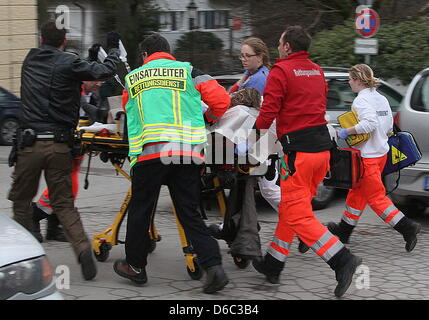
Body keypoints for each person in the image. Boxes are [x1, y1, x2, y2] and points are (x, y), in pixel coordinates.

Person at [113, 33, 231, 294]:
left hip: (149, 154)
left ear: (145, 55)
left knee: (141, 209)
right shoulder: (190, 72)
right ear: (169, 52)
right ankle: (214, 267)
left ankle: (135, 266)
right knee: (189, 211)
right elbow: (222, 102)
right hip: (186, 154)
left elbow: (126, 111)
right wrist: (208, 117)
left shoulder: (133, 79)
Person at [251, 25, 362, 298]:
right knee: (292, 210)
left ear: (288, 46)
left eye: (280, 42)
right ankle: (273, 264)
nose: (278, 47)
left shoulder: (281, 71)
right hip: (322, 152)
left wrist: (253, 133)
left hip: (298, 154)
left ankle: (342, 259)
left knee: (298, 215)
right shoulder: (316, 70)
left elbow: (269, 110)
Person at [8, 21, 121, 281]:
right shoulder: (68, 61)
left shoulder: (29, 60)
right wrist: (112, 49)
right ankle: (82, 250)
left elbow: (62, 76)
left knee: (22, 202)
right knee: (64, 203)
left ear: (40, 38)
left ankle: (26, 258)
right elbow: (101, 72)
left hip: (29, 144)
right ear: (64, 41)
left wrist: (87, 59)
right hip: (59, 145)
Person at [327, 64, 421, 252]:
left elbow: (369, 124)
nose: (349, 82)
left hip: (368, 157)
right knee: (358, 193)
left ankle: (407, 228)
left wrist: (347, 131)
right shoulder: (381, 98)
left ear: (359, 80)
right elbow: (387, 128)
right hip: (381, 153)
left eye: (351, 79)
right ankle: (344, 230)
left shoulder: (360, 101)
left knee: (377, 198)